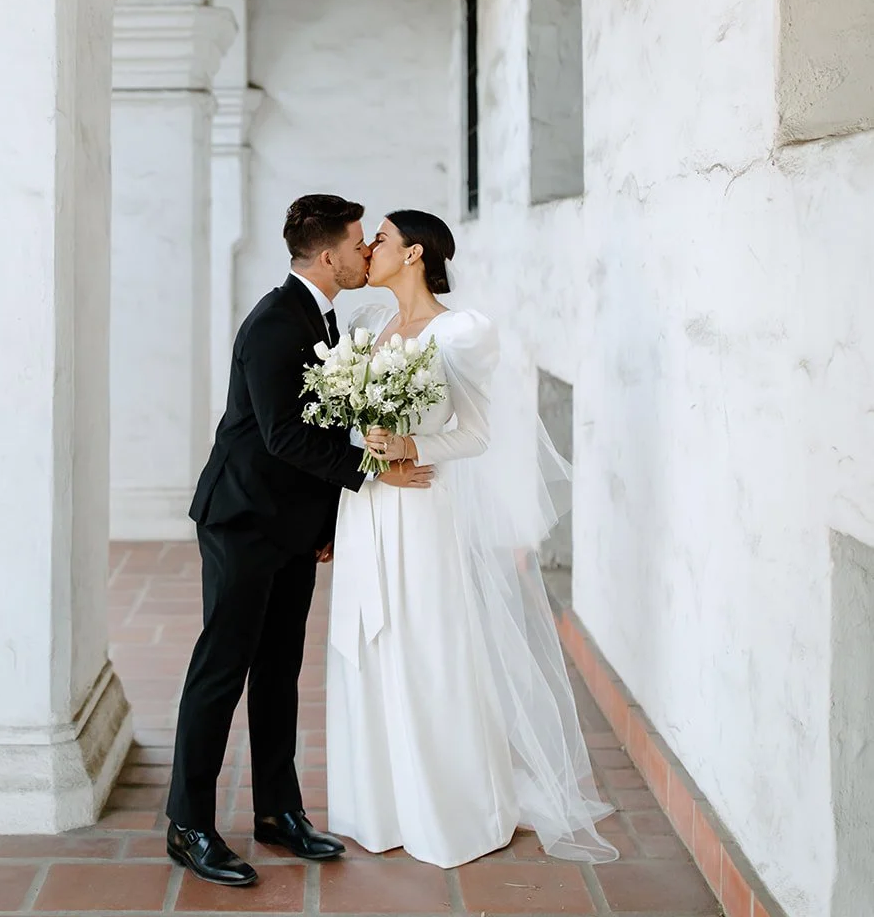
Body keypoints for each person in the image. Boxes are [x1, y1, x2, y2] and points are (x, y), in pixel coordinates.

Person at [326, 208, 619, 868]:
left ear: (414, 254)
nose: (368, 248)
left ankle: (450, 806)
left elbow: (476, 433)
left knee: (428, 644)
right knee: (370, 643)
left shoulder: (460, 331)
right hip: (369, 504)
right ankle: (383, 803)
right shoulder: (368, 327)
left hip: (424, 507)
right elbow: (344, 421)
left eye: (382, 239)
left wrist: (408, 441)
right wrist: (363, 449)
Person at [166, 194, 435, 888]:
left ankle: (277, 812)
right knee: (221, 669)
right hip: (240, 520)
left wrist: (320, 526)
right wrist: (372, 472)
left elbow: (314, 428)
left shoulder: (320, 316)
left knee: (279, 670)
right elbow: (283, 434)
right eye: (356, 245)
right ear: (327, 256)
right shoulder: (272, 324)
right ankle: (188, 823)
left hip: (287, 525)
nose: (364, 255)